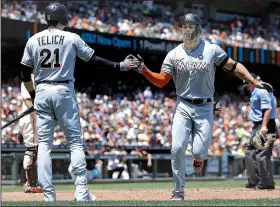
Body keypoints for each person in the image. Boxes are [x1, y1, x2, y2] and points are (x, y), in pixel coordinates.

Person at [130, 13, 274, 200]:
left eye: (191, 26)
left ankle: (198, 159)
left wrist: (254, 81)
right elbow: (161, 81)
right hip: (183, 104)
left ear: (198, 29)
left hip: (205, 107)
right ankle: (178, 192)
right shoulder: (173, 54)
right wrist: (144, 70)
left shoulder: (212, 50)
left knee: (198, 151)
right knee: (177, 148)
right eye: (184, 26)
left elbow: (233, 66)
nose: (187, 30)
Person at [20, 3, 141, 202]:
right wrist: (119, 66)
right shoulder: (71, 37)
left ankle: (49, 197)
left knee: (44, 146)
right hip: (63, 89)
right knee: (75, 143)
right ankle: (81, 192)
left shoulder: (33, 40)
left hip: (41, 90)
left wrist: (33, 95)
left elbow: (25, 73)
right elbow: (94, 60)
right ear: (63, 19)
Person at [244, 73, 276, 189]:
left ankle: (266, 182)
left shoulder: (262, 90)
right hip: (257, 126)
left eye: (248, 83)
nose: (247, 87)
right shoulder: (257, 90)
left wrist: (264, 126)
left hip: (265, 125)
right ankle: (254, 180)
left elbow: (268, 109)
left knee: (262, 154)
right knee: (249, 151)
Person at [19, 74, 42, 193]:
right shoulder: (30, 78)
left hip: (30, 119)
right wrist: (36, 118)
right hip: (30, 118)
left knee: (35, 150)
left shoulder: (40, 77)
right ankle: (31, 184)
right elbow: (28, 101)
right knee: (32, 150)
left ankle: (33, 183)